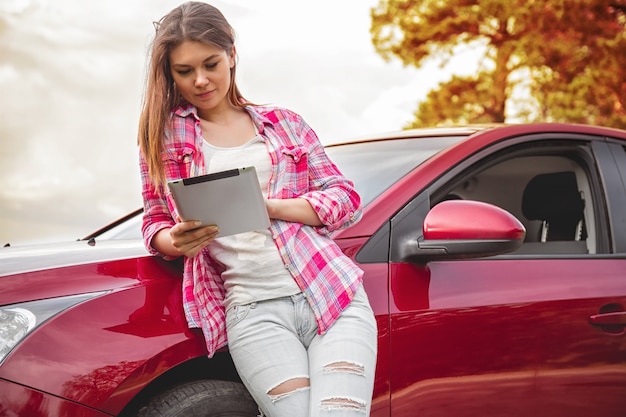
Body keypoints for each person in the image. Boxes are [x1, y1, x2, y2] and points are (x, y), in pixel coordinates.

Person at [138, 2, 378, 416]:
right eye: (184, 70)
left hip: (331, 293)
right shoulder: (163, 138)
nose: (200, 80)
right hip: (252, 310)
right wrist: (173, 240)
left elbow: (345, 198)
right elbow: (154, 219)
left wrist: (269, 207)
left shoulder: (286, 123)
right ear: (169, 73)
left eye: (211, 63)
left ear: (232, 54)